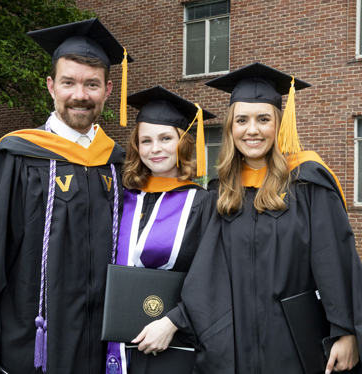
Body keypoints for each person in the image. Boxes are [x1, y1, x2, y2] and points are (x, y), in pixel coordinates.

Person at [143, 63, 362, 373]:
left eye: (263, 119)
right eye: (242, 120)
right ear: (232, 128)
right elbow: (206, 272)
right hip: (233, 343)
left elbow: (335, 261)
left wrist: (346, 330)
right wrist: (174, 318)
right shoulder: (222, 191)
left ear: (279, 124)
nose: (253, 130)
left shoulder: (308, 183)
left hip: (296, 344)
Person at [0, 18, 133, 374]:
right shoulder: (17, 155)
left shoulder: (119, 164)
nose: (80, 95)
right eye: (68, 82)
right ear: (51, 86)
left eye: (92, 84)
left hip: (105, 345)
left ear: (108, 89)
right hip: (31, 340)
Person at [105, 85, 217, 374]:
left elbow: (213, 275)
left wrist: (174, 321)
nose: (155, 149)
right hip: (112, 339)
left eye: (166, 138)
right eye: (146, 141)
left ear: (184, 143)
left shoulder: (203, 203)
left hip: (172, 344)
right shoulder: (121, 197)